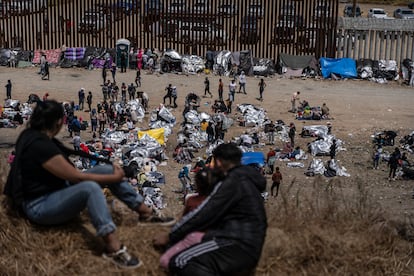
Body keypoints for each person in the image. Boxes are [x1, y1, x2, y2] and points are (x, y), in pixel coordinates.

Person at [4, 100, 175, 270]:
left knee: (106, 170)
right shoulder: (40, 146)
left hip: (53, 191)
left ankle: (145, 212)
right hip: (39, 205)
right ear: (58, 122)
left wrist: (111, 172)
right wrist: (115, 178)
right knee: (90, 188)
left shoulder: (32, 135)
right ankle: (113, 247)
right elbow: (77, 178)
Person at [153, 143, 267, 275]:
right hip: (251, 244)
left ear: (218, 161)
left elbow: (204, 212)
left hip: (235, 242)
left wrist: (170, 236)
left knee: (179, 261)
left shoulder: (231, 182)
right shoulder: (247, 180)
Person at [159, 168, 223, 271]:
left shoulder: (191, 199)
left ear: (197, 184)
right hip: (216, 238)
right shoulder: (221, 200)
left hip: (194, 236)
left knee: (165, 261)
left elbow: (183, 220)